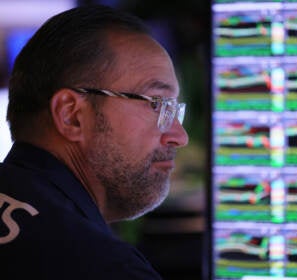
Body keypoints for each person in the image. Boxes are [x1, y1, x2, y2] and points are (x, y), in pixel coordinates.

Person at [0, 5, 188, 280]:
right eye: (157, 105)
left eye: (174, 109)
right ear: (72, 116)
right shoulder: (103, 266)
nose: (179, 136)